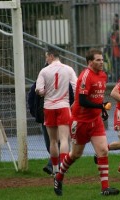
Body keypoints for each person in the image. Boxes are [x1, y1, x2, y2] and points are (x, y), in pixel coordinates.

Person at [54, 48, 120, 196]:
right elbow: (83, 101)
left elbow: (96, 97)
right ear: (90, 62)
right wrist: (101, 106)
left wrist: (101, 109)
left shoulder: (103, 75)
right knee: (76, 154)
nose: (101, 62)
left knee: (103, 150)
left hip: (95, 121)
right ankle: (59, 176)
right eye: (98, 60)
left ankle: (105, 188)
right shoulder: (85, 76)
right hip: (80, 122)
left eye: (102, 59)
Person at [35, 46, 77, 176]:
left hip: (49, 107)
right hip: (63, 106)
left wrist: (42, 92)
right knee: (64, 139)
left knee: (53, 140)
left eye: (47, 57)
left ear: (51, 56)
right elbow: (76, 87)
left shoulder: (44, 71)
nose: (46, 59)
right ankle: (63, 169)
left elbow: (39, 90)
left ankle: (54, 169)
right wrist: (74, 102)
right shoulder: (68, 69)